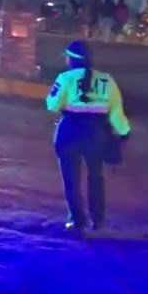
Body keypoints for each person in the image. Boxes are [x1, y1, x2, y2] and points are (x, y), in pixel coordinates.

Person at [46, 40, 131, 234]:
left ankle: (77, 221)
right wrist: (124, 133)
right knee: (96, 177)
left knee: (71, 178)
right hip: (96, 134)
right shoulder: (107, 80)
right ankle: (98, 220)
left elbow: (51, 104)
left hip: (70, 131)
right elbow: (117, 114)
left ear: (71, 60)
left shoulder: (65, 78)